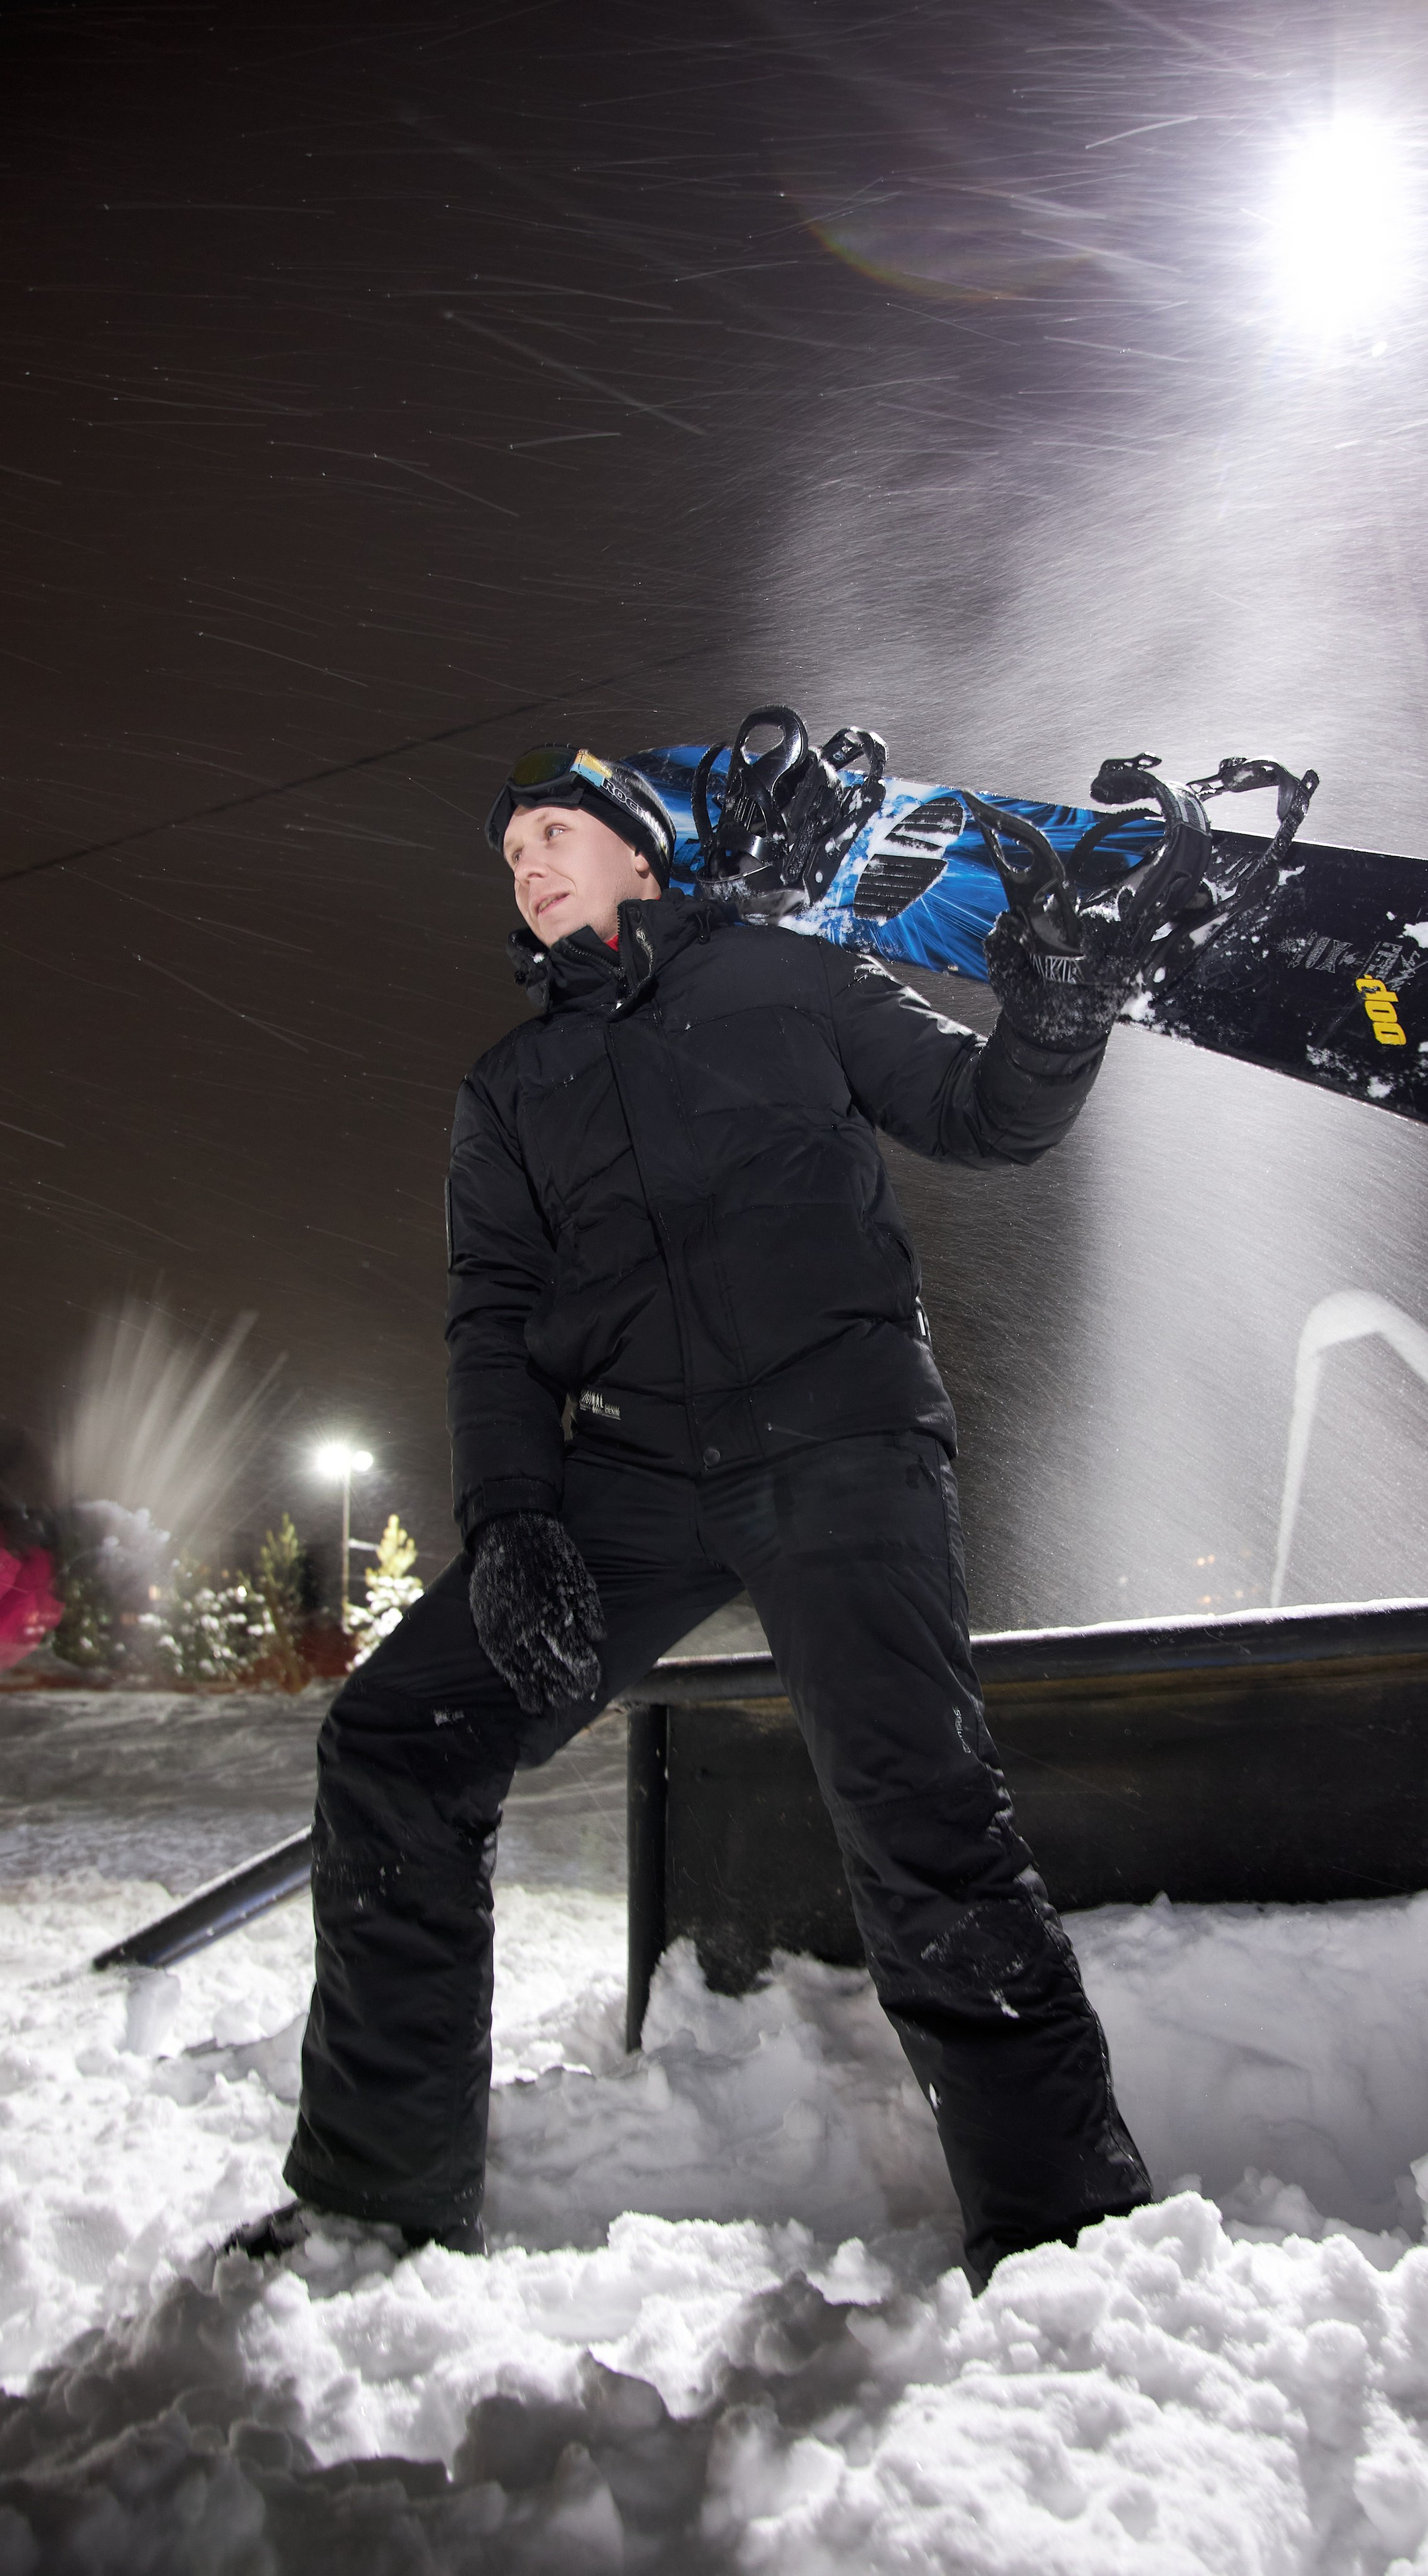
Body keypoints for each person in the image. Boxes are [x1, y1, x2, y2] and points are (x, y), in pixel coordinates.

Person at [241, 737, 1154, 2286]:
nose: (524, 863)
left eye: (552, 832)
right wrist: (517, 1517)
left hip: (839, 1440)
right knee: (396, 1744)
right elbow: (492, 1313)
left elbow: (980, 1112)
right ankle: (377, 2198)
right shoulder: (509, 1088)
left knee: (917, 1821)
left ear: (641, 853)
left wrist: (1058, 1017)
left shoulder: (789, 981)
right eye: (508, 853)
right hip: (633, 1480)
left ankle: (1063, 2228)